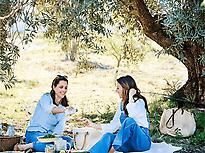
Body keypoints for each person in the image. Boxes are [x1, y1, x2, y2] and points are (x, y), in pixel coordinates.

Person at [84, 75, 151, 153]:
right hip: (127, 142)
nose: (116, 90)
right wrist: (92, 125)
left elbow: (132, 114)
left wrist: (131, 98)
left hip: (141, 142)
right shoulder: (121, 105)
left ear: (126, 88)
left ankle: (113, 149)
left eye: (118, 88)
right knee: (108, 136)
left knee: (129, 121)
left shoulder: (139, 102)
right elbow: (113, 126)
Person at [14, 75, 73, 152]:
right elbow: (50, 109)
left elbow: (59, 127)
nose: (64, 90)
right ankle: (24, 147)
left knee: (69, 140)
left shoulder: (63, 107)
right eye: (61, 87)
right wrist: (64, 110)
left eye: (66, 88)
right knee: (49, 145)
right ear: (54, 87)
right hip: (34, 133)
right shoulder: (46, 98)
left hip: (49, 136)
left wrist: (57, 138)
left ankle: (35, 147)